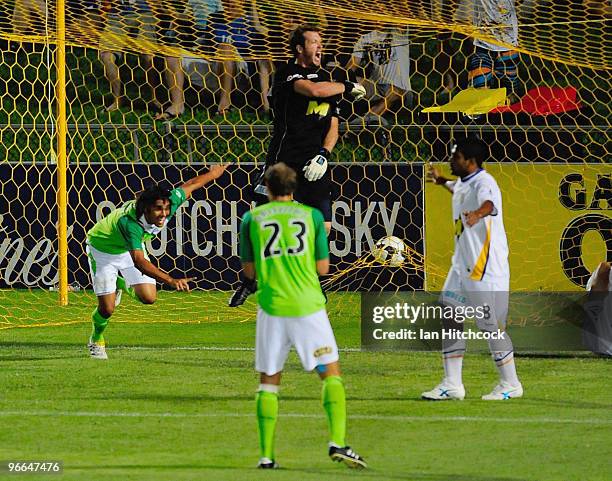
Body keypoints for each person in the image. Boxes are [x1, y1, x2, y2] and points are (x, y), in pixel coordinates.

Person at [237, 163, 367, 469]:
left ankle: (266, 457)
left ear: (266, 187)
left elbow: (249, 271)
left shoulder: (251, 218)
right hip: (308, 305)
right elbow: (323, 269)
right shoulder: (312, 216)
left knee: (269, 381)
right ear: (295, 188)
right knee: (330, 373)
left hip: (271, 306)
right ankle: (338, 442)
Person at [228, 24, 365, 306]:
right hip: (284, 162)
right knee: (267, 223)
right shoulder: (288, 74)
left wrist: (324, 155)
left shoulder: (329, 84)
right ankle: (250, 281)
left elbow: (334, 127)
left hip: (315, 164)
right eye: (314, 42)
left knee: (323, 228)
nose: (319, 46)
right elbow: (313, 90)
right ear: (299, 48)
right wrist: (348, 85)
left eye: (321, 41)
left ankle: (310, 281)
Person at [85, 164, 228, 359]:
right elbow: (138, 261)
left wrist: (214, 173)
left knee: (149, 298)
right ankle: (96, 339)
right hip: (103, 250)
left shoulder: (169, 203)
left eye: (167, 209)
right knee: (107, 309)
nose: (164, 214)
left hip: (129, 249)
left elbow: (191, 184)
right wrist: (170, 280)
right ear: (145, 209)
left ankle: (120, 284)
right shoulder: (130, 223)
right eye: (158, 210)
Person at [423, 136, 523, 400]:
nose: (450, 160)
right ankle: (452, 383)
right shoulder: (466, 183)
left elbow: (490, 204)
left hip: (485, 266)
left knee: (490, 325)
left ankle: (511, 383)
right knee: (449, 311)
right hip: (462, 264)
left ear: (471, 160)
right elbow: (458, 189)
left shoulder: (485, 182)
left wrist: (479, 214)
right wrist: (442, 181)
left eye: (455, 156)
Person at [99, 0, 162, 112]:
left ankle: (154, 98)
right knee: (107, 56)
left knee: (148, 55)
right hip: (116, 15)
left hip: (143, 12)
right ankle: (118, 100)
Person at [346, 25, 412, 123]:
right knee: (350, 82)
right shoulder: (365, 38)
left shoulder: (399, 32)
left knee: (394, 91)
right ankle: (343, 116)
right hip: (377, 87)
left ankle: (367, 120)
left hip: (402, 90)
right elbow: (351, 67)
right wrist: (339, 77)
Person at [468, 0, 520, 104]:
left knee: (511, 93)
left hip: (507, 41)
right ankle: (479, 112)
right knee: (480, 90)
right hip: (483, 40)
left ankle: (506, 112)